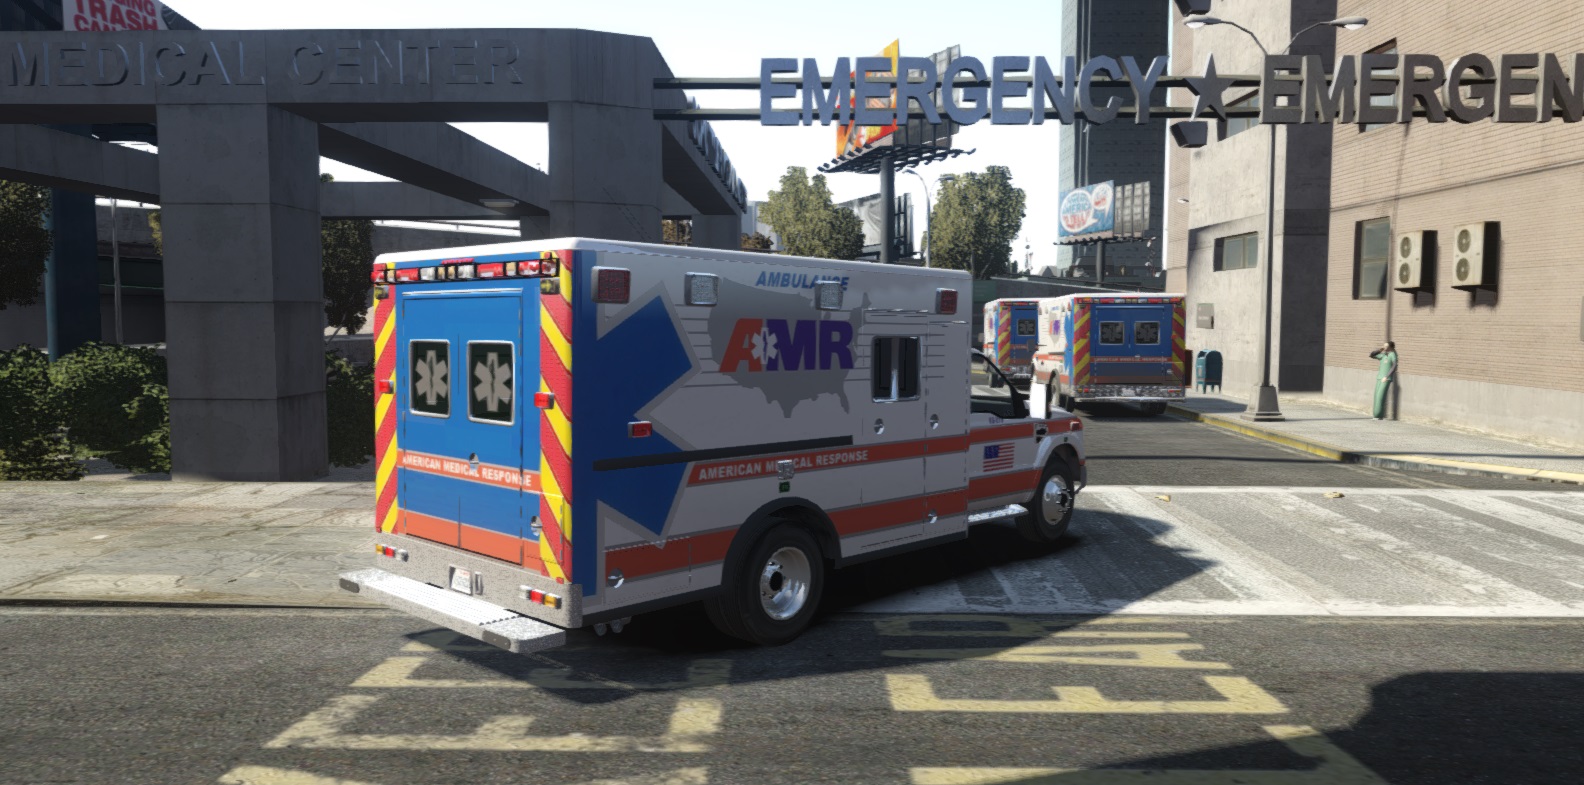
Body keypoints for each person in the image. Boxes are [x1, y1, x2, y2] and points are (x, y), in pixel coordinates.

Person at [1369, 341, 1398, 420]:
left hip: (1386, 379)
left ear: (1390, 347)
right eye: (1384, 346)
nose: (1384, 347)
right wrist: (1380, 350)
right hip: (1379, 377)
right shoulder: (1383, 355)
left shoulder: (1393, 355)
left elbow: (1394, 366)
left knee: (1380, 396)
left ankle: (1377, 415)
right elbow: (1371, 355)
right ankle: (1378, 415)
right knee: (1376, 396)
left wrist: (1387, 376)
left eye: (1386, 346)